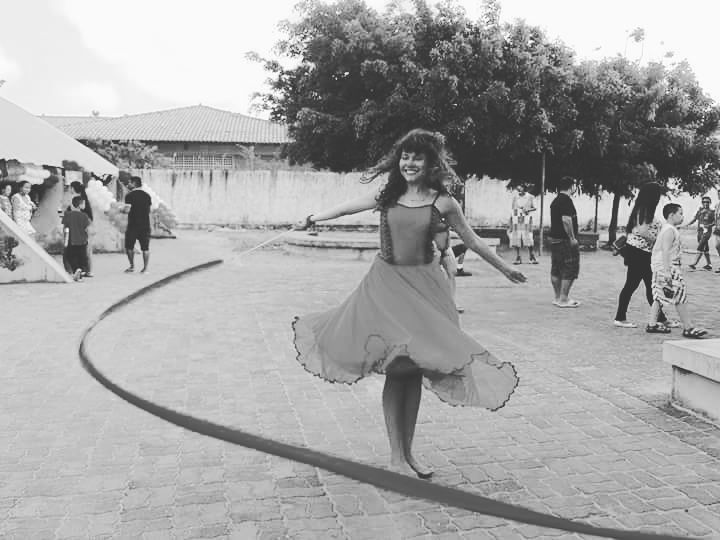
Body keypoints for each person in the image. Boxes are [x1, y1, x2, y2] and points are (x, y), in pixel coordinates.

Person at [292, 129, 526, 478]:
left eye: (417, 157)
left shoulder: (443, 202)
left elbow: (473, 240)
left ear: (431, 163)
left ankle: (409, 453)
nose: (410, 163)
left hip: (425, 291)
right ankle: (395, 457)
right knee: (396, 369)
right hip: (386, 288)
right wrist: (313, 218)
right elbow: (345, 208)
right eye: (405, 156)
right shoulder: (387, 195)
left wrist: (506, 269)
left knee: (413, 371)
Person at [613, 182, 676, 329]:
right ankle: (620, 317)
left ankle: (661, 318)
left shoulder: (642, 209)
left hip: (641, 252)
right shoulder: (645, 210)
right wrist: (658, 241)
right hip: (639, 253)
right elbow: (642, 231)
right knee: (634, 285)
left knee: (649, 286)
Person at [647, 203, 707, 338]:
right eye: (680, 213)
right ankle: (688, 327)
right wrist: (667, 272)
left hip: (660, 267)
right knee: (680, 295)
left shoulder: (667, 229)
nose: (682, 216)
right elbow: (665, 251)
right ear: (671, 215)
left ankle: (652, 324)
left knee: (659, 295)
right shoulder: (669, 230)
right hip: (668, 267)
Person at [549, 176, 580, 308]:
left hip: (555, 240)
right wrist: (572, 238)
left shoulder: (555, 201)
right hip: (565, 240)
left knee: (556, 268)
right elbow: (566, 220)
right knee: (570, 267)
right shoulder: (566, 200)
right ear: (571, 187)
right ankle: (563, 298)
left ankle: (557, 297)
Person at [63, 181, 95, 277]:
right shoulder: (84, 199)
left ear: (73, 188)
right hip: (83, 231)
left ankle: (73, 270)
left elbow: (66, 221)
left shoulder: (74, 200)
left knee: (72, 253)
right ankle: (86, 270)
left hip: (74, 231)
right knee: (85, 252)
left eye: (70, 187)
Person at [121, 176, 152, 273]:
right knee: (145, 248)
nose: (128, 184)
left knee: (129, 246)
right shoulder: (147, 196)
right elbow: (149, 211)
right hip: (145, 225)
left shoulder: (129, 196)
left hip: (133, 225)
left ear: (134, 184)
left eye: (129, 182)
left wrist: (121, 210)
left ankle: (132, 266)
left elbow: (127, 210)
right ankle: (145, 268)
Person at [508, 184, 538, 265]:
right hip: (516, 219)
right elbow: (512, 209)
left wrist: (528, 209)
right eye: (518, 187)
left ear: (524, 188)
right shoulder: (515, 197)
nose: (518, 188)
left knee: (528, 237)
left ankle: (531, 256)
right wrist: (510, 221)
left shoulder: (530, 197)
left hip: (527, 219)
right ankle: (518, 257)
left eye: (520, 187)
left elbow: (535, 207)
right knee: (516, 237)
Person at [686, 196, 714, 270]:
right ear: (702, 203)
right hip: (700, 231)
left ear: (710, 203)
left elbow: (715, 222)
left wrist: (709, 225)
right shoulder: (700, 211)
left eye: (707, 202)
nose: (705, 203)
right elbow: (695, 219)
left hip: (707, 232)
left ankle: (694, 263)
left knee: (701, 246)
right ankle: (709, 264)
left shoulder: (712, 212)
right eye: (704, 202)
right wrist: (687, 224)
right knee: (705, 248)